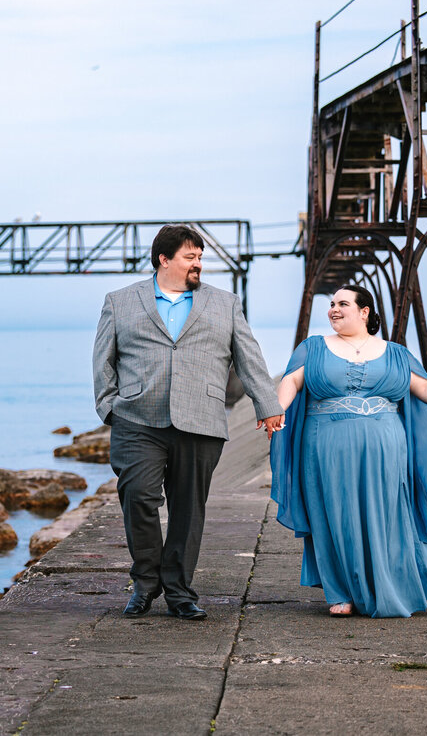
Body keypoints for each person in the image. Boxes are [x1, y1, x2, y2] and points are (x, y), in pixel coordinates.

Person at [93, 224, 284, 620]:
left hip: (201, 420)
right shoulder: (120, 301)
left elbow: (249, 357)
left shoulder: (225, 303)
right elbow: (103, 361)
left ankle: (179, 591)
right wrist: (109, 407)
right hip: (136, 419)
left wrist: (267, 404)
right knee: (139, 499)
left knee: (188, 510)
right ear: (164, 259)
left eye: (200, 257)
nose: (198, 263)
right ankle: (145, 584)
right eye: (190, 257)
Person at [269, 284, 427, 618]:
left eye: (343, 304)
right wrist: (278, 409)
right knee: (334, 514)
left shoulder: (394, 352)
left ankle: (394, 584)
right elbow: (291, 382)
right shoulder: (313, 347)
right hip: (326, 446)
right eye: (331, 305)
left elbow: (425, 386)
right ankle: (341, 591)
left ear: (364, 311)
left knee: (388, 513)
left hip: (386, 447)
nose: (334, 310)